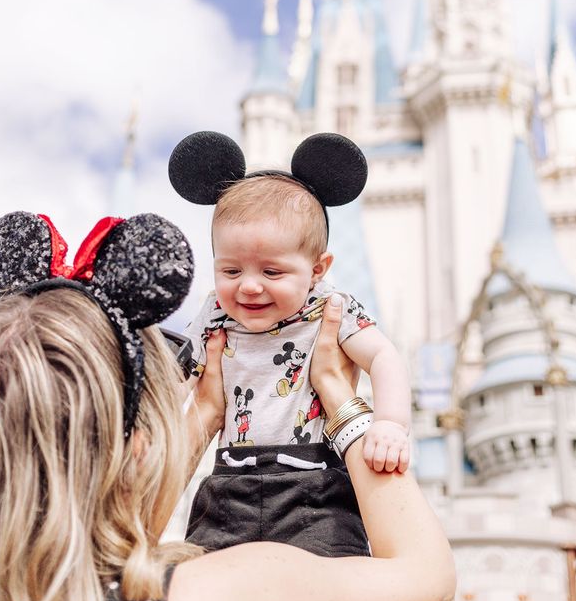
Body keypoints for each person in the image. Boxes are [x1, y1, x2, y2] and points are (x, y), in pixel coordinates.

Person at [0, 231, 456, 601]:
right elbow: (428, 586)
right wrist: (338, 398)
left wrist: (204, 409)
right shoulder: (228, 596)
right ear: (136, 450)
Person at [170, 129, 412, 556]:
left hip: (315, 484)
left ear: (317, 270)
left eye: (271, 272)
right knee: (207, 574)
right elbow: (179, 375)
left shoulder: (331, 308)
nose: (248, 286)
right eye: (230, 271)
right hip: (231, 481)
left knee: (334, 576)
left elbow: (383, 356)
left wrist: (390, 423)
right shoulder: (213, 313)